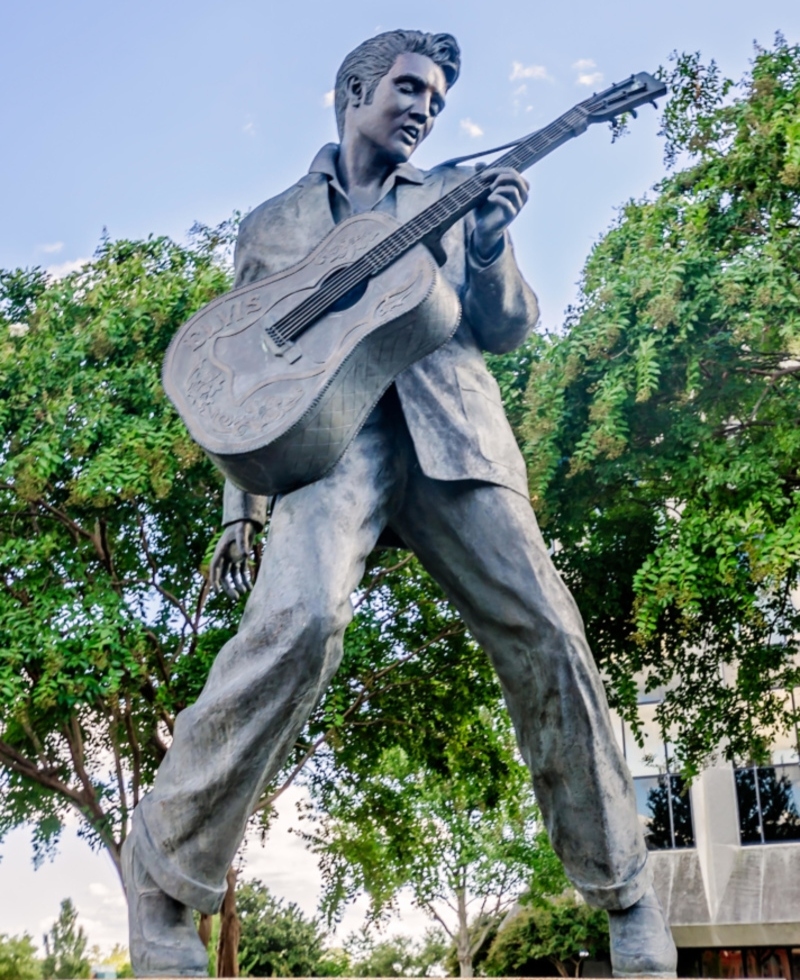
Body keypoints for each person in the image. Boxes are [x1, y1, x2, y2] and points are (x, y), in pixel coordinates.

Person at [122, 30, 677, 978]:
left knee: (549, 633)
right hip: (330, 448)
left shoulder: (451, 197)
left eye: (437, 98)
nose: (424, 107)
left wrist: (493, 246)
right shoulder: (275, 223)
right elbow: (239, 376)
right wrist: (239, 511)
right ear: (353, 91)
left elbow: (505, 325)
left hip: (454, 430)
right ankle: (164, 880)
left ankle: (625, 892)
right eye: (409, 88)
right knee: (294, 624)